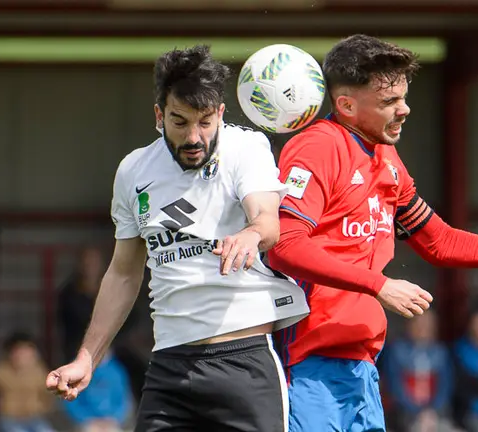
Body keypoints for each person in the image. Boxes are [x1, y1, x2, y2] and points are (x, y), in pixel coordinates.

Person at [267, 34, 478, 432]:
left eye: (403, 97)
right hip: (309, 361)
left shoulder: (387, 159)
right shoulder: (317, 148)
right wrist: (379, 285)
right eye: (389, 102)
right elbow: (285, 246)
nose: (404, 109)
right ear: (346, 105)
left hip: (360, 364)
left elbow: (441, 242)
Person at [45, 45, 309, 432]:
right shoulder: (134, 171)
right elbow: (123, 274)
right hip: (169, 367)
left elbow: (267, 221)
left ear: (220, 113)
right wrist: (87, 358)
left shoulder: (246, 148)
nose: (194, 137)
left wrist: (250, 235)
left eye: (205, 122)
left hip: (242, 364)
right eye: (180, 122)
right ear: (159, 115)